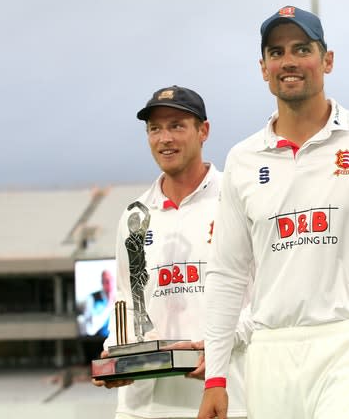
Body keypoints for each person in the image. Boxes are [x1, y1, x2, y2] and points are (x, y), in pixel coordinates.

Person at [198, 6, 349, 419]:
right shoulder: (241, 159)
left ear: (327, 60)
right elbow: (226, 273)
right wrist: (216, 378)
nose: (288, 61)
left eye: (302, 48)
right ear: (263, 68)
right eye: (276, 52)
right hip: (270, 349)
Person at [92, 85, 249, 419]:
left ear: (203, 130)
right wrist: (115, 356)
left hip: (226, 394)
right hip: (144, 407)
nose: (165, 138)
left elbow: (264, 296)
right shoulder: (135, 215)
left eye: (177, 125)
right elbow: (126, 298)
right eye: (155, 128)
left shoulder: (236, 200)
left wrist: (221, 343)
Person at [79, 269, 115, 337]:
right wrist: (108, 306)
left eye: (111, 280)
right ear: (102, 283)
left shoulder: (118, 298)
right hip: (96, 341)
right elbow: (91, 329)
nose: (110, 283)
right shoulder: (91, 298)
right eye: (106, 281)